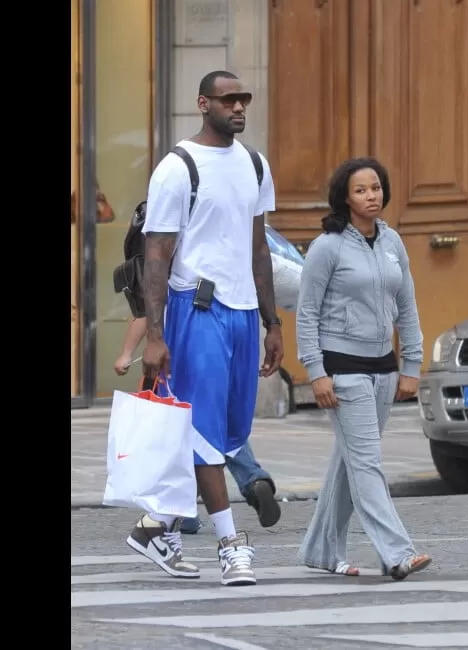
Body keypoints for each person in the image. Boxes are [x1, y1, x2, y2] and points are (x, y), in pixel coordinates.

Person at [127, 70, 283, 587]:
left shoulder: (255, 163)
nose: (238, 107)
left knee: (231, 432)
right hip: (196, 309)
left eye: (244, 99)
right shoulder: (177, 168)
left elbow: (259, 249)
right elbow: (156, 255)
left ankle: (155, 526)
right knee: (204, 435)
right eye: (228, 99)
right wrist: (155, 335)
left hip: (241, 315)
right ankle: (230, 545)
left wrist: (272, 322)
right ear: (203, 104)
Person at [295, 157, 432, 580]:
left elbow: (406, 307)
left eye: (375, 188)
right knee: (367, 461)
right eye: (361, 190)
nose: (371, 196)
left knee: (349, 461)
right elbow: (306, 314)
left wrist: (411, 363)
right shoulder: (327, 247)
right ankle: (396, 552)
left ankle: (319, 550)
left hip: (384, 370)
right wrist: (316, 373)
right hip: (343, 371)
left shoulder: (393, 243)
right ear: (345, 197)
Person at [114, 317, 281, 532]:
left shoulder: (163, 285)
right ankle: (252, 478)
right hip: (214, 352)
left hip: (175, 364)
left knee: (187, 438)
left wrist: (126, 353)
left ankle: (187, 515)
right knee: (215, 428)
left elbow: (144, 315)